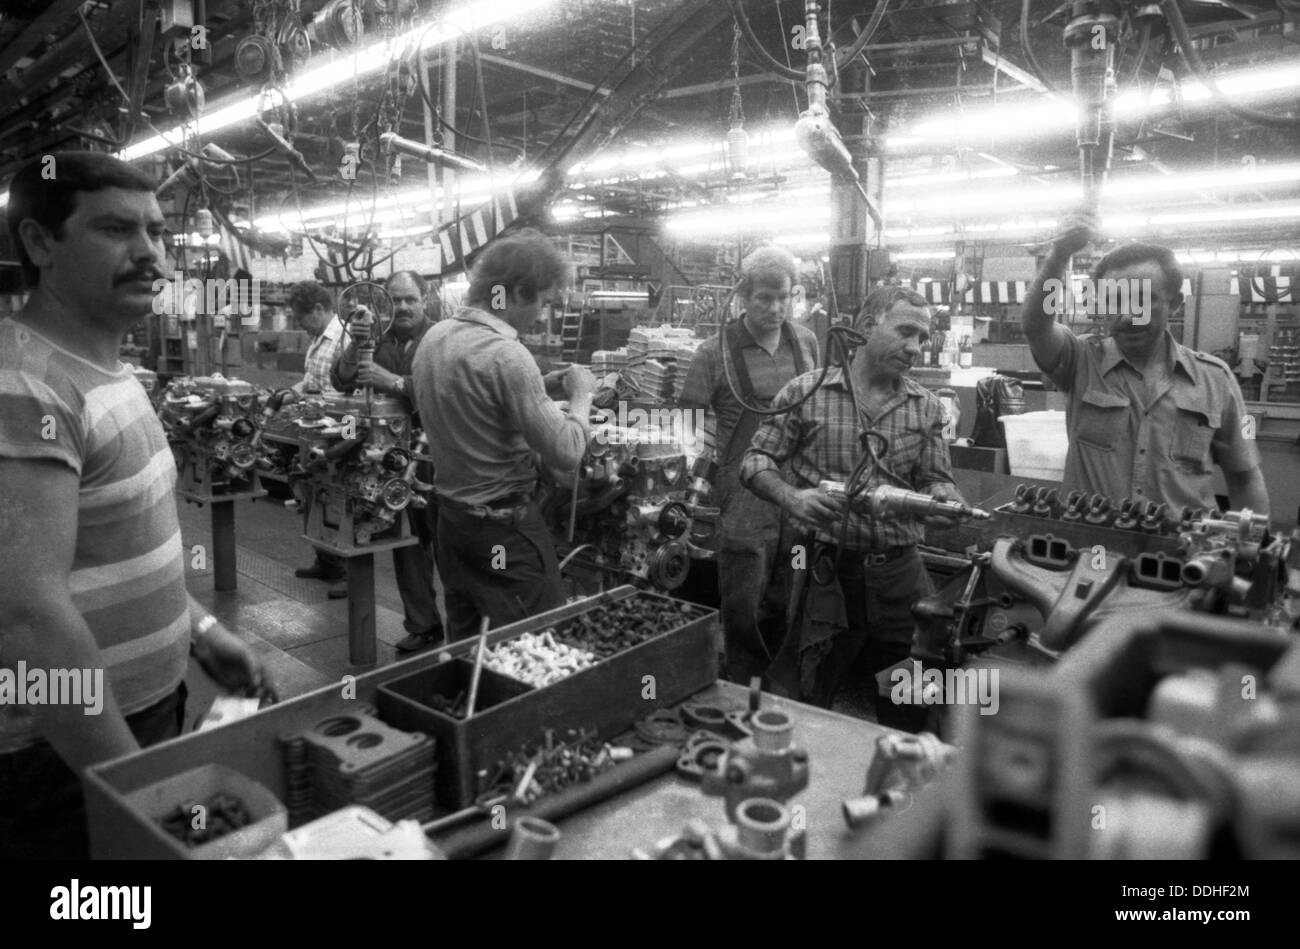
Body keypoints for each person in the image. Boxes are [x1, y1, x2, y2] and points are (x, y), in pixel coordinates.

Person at [0, 151, 273, 858]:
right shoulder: (24, 386)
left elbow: (115, 546)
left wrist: (200, 628)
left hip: (135, 715)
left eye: (156, 230)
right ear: (39, 244)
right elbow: (25, 622)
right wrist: (134, 786)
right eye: (117, 230)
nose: (150, 252)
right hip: (61, 752)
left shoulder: (109, 369)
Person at [742, 286, 966, 730]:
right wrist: (791, 497)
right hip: (822, 569)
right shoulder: (807, 393)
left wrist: (944, 498)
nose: (915, 348)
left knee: (913, 696)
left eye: (923, 339)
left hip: (900, 574)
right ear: (866, 327)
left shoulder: (926, 408)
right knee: (805, 694)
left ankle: (898, 781)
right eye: (905, 332)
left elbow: (936, 478)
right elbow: (755, 461)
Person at [1022, 213, 1269, 518]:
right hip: (1094, 550)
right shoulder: (1081, 361)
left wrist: (1251, 550)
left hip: (1184, 556)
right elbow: (1036, 324)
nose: (1128, 315)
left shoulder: (1215, 379)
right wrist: (1059, 255)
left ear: (1175, 303)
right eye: (1115, 301)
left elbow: (1244, 477)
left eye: (1143, 300)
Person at [411, 229, 593, 640]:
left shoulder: (435, 338)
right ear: (519, 292)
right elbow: (567, 452)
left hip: (453, 526)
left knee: (469, 641)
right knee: (538, 639)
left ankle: (465, 704)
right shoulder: (508, 355)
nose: (543, 314)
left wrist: (538, 385)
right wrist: (582, 397)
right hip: (501, 534)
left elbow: (472, 398)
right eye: (543, 301)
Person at [679, 246, 819, 683]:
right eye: (764, 298)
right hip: (741, 494)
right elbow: (689, 422)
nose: (776, 308)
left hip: (798, 487)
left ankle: (776, 683)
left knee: (788, 586)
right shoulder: (712, 352)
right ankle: (743, 683)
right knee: (743, 592)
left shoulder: (807, 341)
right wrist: (707, 468)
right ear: (743, 295)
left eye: (785, 297)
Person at [332, 270, 445, 652]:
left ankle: (468, 627)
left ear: (425, 299)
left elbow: (448, 390)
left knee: (449, 543)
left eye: (410, 299)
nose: (403, 307)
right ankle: (423, 623)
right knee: (408, 543)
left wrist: (394, 381)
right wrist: (355, 345)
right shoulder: (377, 337)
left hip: (440, 455)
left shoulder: (442, 337)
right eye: (395, 300)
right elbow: (341, 380)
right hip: (394, 457)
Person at [283, 280, 349, 595]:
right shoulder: (318, 339)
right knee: (311, 494)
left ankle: (348, 572)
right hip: (313, 430)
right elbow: (312, 382)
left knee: (338, 499)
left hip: (336, 433)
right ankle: (326, 561)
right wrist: (285, 394)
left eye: (301, 317)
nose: (299, 324)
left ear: (319, 310)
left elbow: (352, 391)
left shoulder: (344, 339)